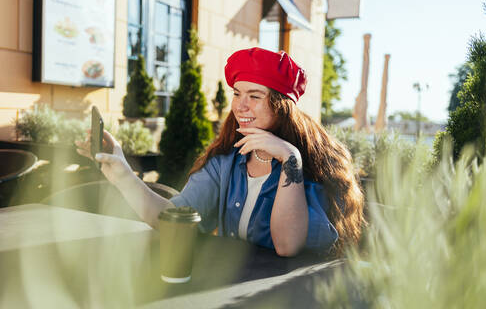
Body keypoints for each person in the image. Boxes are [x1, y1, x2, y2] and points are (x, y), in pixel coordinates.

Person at [76, 47, 365, 257]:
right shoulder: (227, 161)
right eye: (237, 94)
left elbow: (287, 246)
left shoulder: (314, 166)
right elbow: (172, 219)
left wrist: (290, 159)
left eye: (254, 96)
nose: (240, 106)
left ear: (282, 105)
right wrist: (123, 175)